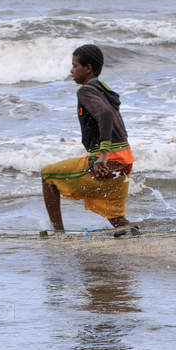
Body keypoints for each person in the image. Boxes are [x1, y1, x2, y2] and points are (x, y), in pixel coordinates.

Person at [41, 44, 137, 235]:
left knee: (48, 176)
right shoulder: (105, 91)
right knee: (116, 218)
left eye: (75, 65)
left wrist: (103, 155)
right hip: (124, 163)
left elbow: (106, 115)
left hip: (107, 163)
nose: (71, 70)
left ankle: (58, 234)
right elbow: (108, 113)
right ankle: (127, 229)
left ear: (88, 68)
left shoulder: (85, 91)